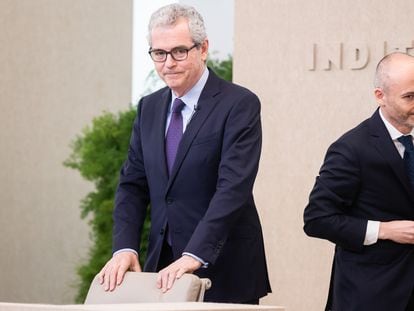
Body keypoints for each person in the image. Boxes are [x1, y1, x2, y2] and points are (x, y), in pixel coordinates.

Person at [97, 3, 271, 304]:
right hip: (162, 269)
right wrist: (125, 248)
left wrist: (195, 253)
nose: (168, 63)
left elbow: (233, 188)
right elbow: (132, 185)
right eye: (159, 53)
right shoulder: (148, 108)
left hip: (224, 267)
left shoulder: (239, 104)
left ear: (203, 49)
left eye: (179, 51)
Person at [303, 52, 414, 311]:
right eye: (409, 97)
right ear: (380, 96)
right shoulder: (350, 149)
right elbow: (317, 219)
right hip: (372, 296)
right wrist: (385, 230)